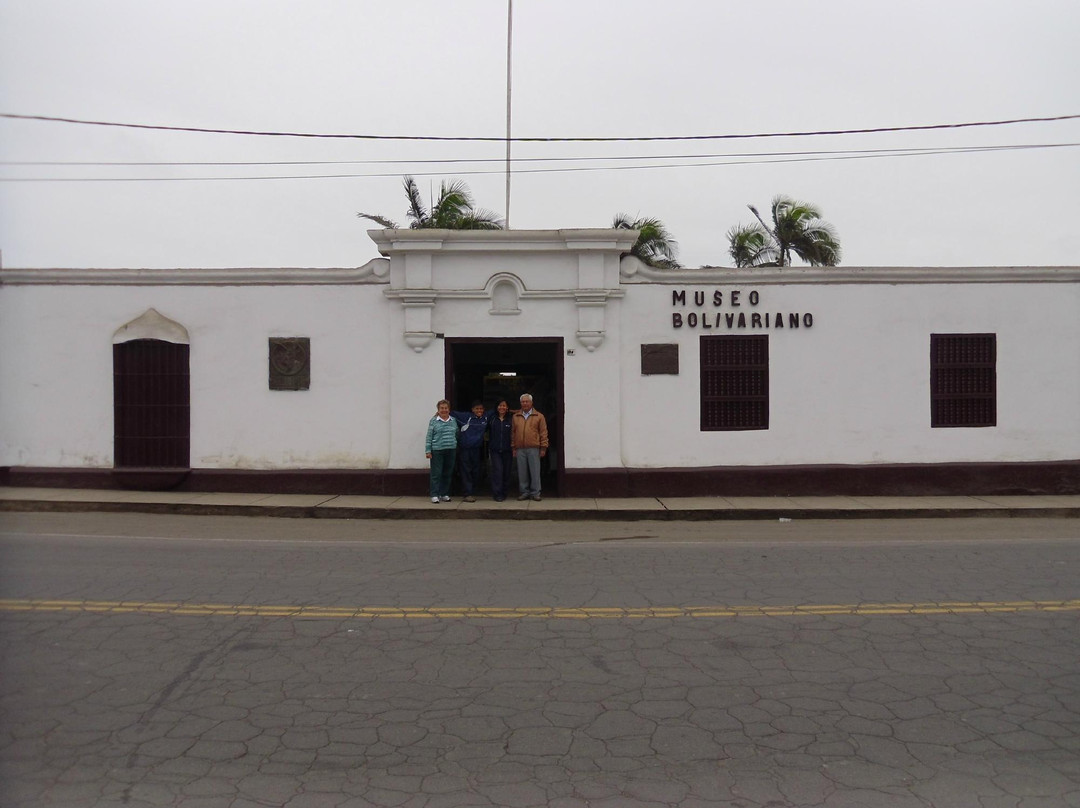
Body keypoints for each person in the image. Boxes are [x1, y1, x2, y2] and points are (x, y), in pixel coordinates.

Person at [450, 400, 492, 502]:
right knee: (466, 471)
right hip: (465, 449)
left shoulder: (485, 417)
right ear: (472, 409)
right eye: (477, 408)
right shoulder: (466, 417)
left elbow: (498, 410)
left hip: (477, 450)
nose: (479, 410)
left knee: (476, 471)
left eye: (481, 408)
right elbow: (451, 412)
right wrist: (439, 413)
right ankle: (467, 493)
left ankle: (473, 490)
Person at [511, 393, 548, 501]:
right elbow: (513, 433)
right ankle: (524, 492)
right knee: (522, 472)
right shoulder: (516, 416)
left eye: (527, 401)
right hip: (520, 448)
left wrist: (543, 447)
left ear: (531, 403)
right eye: (523, 402)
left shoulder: (539, 416)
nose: (525, 403)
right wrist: (513, 447)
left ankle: (536, 492)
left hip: (534, 447)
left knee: (535, 471)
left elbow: (543, 433)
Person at [425, 399, 458, 503]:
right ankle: (434, 494)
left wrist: (454, 443)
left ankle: (444, 494)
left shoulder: (453, 420)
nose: (444, 410)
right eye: (442, 408)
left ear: (449, 409)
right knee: (436, 473)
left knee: (447, 473)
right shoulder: (433, 421)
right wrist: (428, 450)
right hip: (437, 451)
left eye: (446, 408)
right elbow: (429, 436)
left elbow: (456, 433)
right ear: (438, 410)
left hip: (451, 450)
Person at [487, 399, 514, 501]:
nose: (502, 408)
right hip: (495, 450)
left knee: (506, 472)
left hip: (508, 450)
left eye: (504, 406)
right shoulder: (492, 419)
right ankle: (497, 494)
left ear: (507, 408)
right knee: (498, 471)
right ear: (496, 407)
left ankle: (505, 492)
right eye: (500, 405)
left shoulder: (511, 420)